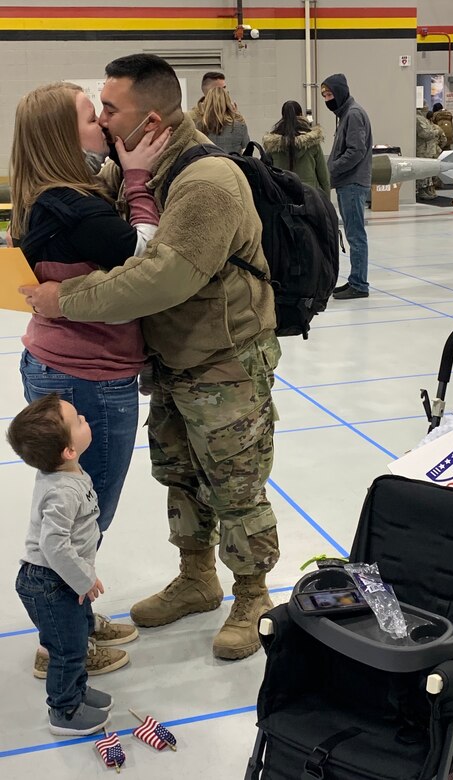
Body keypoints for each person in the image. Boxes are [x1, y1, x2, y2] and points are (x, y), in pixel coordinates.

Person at [21, 53, 281, 662]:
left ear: (153, 120)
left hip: (222, 362)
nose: (105, 122)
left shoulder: (205, 182)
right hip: (173, 359)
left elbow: (163, 277)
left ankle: (252, 594)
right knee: (181, 476)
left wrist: (68, 301)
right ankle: (197, 578)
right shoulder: (142, 169)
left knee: (235, 483)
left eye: (112, 111)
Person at [10, 82, 170, 677]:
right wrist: (136, 179)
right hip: (88, 379)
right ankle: (60, 643)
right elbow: (146, 257)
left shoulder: (46, 197)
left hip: (61, 364)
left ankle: (72, 616)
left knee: (74, 510)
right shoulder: (69, 204)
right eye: (88, 115)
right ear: (60, 135)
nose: (102, 124)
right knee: (81, 518)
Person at [9, 394, 113, 736]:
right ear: (68, 450)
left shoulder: (65, 470)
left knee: (80, 632)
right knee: (67, 649)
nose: (84, 417)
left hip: (59, 581)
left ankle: (78, 692)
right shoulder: (62, 490)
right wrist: (84, 578)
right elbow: (52, 544)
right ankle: (65, 710)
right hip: (49, 583)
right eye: (78, 420)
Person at [321, 73, 372, 300]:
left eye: (330, 94)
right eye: (324, 95)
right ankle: (355, 279)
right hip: (346, 183)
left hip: (352, 183)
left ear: (340, 92)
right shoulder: (345, 115)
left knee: (355, 235)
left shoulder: (353, 114)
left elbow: (355, 151)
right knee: (353, 234)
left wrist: (330, 170)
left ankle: (359, 284)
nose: (327, 99)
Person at [262, 100, 330, 197]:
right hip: (310, 196)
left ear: (282, 116)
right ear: (301, 114)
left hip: (283, 196)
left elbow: (266, 175)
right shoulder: (312, 142)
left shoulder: (272, 145)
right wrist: (326, 202)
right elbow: (323, 177)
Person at [194, 86, 249, 154]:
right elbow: (247, 150)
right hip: (234, 163)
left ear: (208, 103)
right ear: (227, 102)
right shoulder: (240, 126)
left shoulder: (200, 125)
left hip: (209, 163)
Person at [416, 103, 447, 201]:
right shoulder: (418, 119)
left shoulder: (424, 119)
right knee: (423, 171)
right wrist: (436, 132)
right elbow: (425, 133)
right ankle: (422, 190)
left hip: (429, 149)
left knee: (428, 171)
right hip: (422, 149)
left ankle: (427, 189)